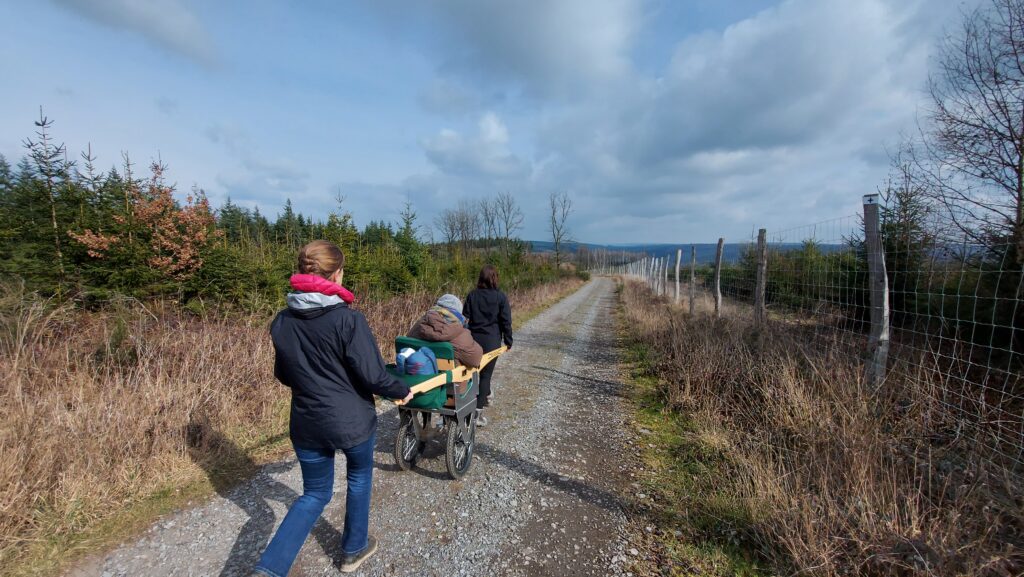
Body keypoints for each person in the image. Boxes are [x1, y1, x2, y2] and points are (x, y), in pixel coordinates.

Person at [254, 240, 413, 577]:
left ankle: (268, 570)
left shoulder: (282, 321)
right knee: (358, 479)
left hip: (307, 423)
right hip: (351, 423)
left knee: (313, 494)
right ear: (336, 274)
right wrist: (402, 390)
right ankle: (353, 549)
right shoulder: (347, 321)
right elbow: (373, 375)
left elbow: (283, 374)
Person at [462, 265, 513, 427]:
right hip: (492, 341)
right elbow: (506, 321)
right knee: (485, 377)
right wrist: (508, 340)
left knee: (470, 374)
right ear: (494, 278)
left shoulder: (472, 295)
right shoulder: (500, 297)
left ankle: (465, 408)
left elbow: (464, 319)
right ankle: (477, 414)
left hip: (473, 341)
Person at [407, 294, 483, 368]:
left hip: (414, 376)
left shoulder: (419, 324)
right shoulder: (460, 333)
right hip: (448, 380)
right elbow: (476, 360)